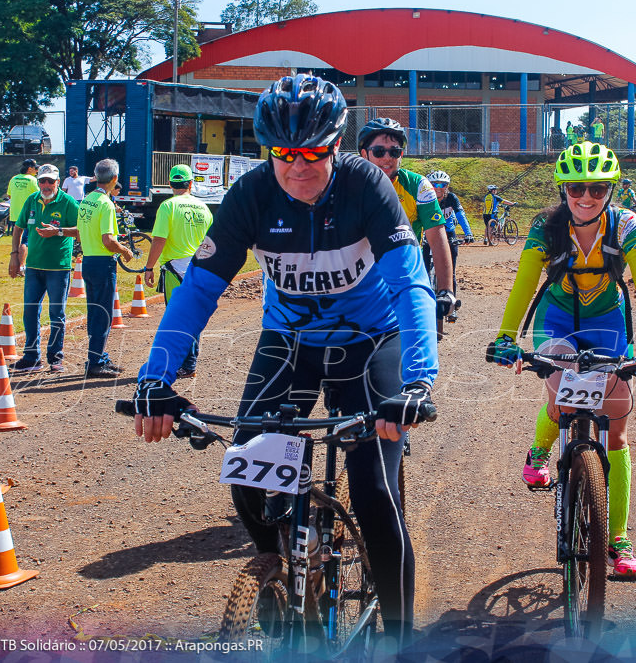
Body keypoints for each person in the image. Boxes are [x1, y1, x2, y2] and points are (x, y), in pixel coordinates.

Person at [131, 75, 439, 646]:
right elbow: (198, 288)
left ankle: (401, 643)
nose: (299, 166)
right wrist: (156, 378)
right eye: (284, 153)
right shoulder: (251, 195)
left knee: (375, 494)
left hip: (371, 340)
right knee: (246, 473)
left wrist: (418, 380)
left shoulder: (367, 185)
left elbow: (409, 284)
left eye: (314, 153)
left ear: (336, 144)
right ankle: (277, 573)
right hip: (290, 341)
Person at [486, 142, 636, 577]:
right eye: (576, 187)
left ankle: (618, 539)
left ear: (611, 189)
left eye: (597, 187)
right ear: (563, 189)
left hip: (608, 320)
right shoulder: (545, 226)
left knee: (617, 430)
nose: (586, 197)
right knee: (561, 397)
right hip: (556, 320)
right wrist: (504, 337)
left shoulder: (627, 224)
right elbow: (523, 284)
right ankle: (539, 451)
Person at [358, 118, 456, 321]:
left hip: (405, 278)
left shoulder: (418, 185)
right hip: (361, 282)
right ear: (364, 153)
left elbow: (437, 237)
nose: (387, 158)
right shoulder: (349, 184)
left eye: (394, 152)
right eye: (379, 152)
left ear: (401, 155)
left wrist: (446, 290)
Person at [7, 163, 80, 374]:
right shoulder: (32, 200)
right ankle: (31, 357)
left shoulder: (68, 203)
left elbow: (81, 230)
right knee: (30, 312)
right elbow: (18, 227)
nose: (46, 185)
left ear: (58, 182)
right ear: (38, 182)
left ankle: (55, 358)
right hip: (33, 267)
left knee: (56, 314)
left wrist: (57, 232)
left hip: (58, 267)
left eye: (50, 181)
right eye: (42, 181)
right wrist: (14, 256)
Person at [142, 164, 213, 379]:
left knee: (178, 317)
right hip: (199, 266)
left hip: (175, 267)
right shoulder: (204, 208)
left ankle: (186, 363)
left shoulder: (168, 206)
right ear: (190, 184)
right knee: (193, 314)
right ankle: (189, 361)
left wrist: (148, 267)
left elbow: (159, 240)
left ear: (170, 184)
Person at [78, 158, 134, 377]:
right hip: (103, 262)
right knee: (104, 314)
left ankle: (97, 356)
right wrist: (124, 251)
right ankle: (95, 362)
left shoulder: (87, 199)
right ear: (115, 179)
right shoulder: (106, 204)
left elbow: (83, 231)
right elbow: (108, 240)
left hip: (89, 260)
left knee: (95, 312)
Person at [425, 170, 468, 292]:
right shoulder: (425, 197)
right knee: (424, 271)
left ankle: (452, 304)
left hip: (448, 232)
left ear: (447, 186)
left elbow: (461, 215)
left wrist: (468, 233)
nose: (438, 188)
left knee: (451, 273)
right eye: (435, 184)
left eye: (442, 185)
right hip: (429, 232)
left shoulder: (451, 198)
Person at [7, 159, 39, 268]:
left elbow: (9, 195)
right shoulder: (32, 180)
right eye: (36, 168)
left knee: (16, 239)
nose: (37, 170)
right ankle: (21, 266)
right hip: (27, 214)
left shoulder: (13, 179)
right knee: (25, 241)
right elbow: (38, 196)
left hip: (14, 214)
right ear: (30, 169)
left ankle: (14, 263)